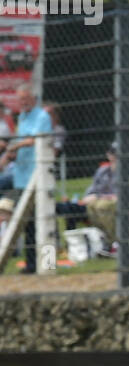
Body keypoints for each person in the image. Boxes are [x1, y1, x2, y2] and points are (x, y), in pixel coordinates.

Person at [0, 85, 52, 272]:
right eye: (20, 99)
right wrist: (10, 155)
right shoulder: (22, 117)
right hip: (22, 177)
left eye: (25, 99)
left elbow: (34, 140)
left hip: (39, 175)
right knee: (28, 224)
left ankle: (48, 263)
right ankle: (32, 264)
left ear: (33, 98)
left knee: (46, 221)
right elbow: (22, 140)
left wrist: (14, 147)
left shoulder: (42, 117)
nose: (22, 103)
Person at [57, 142, 118, 237]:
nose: (114, 156)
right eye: (112, 153)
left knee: (101, 206)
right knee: (66, 208)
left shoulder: (123, 172)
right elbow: (91, 191)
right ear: (108, 154)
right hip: (91, 204)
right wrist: (87, 198)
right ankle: (70, 243)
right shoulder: (103, 171)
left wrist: (98, 197)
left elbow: (118, 195)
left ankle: (108, 241)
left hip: (105, 205)